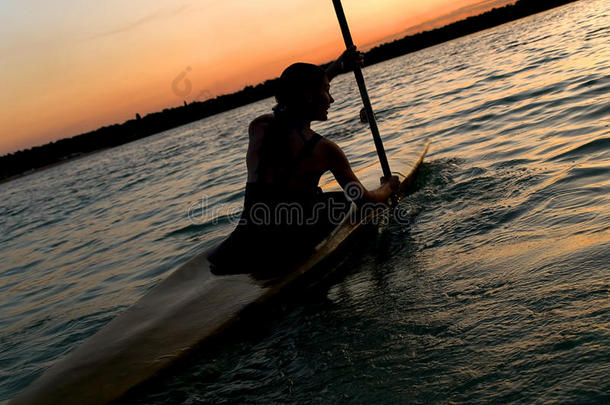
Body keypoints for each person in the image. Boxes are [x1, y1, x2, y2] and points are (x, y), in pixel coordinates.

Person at [209, 47, 399, 275]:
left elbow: (294, 99)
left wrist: (338, 67)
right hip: (285, 246)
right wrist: (387, 187)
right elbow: (365, 202)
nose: (332, 99)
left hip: (246, 240)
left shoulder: (259, 127)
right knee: (340, 202)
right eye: (327, 91)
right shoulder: (325, 149)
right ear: (309, 96)